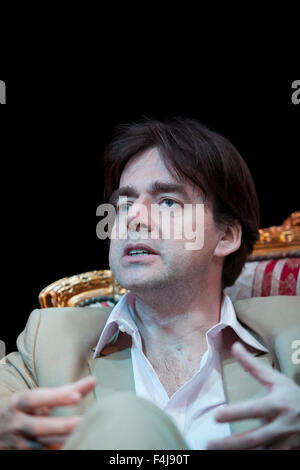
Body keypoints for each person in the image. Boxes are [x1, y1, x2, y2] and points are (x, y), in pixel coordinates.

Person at [0, 117, 299, 450]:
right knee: (127, 419)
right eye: (124, 204)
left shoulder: (293, 330)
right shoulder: (51, 342)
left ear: (226, 235)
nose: (133, 218)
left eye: (168, 202)